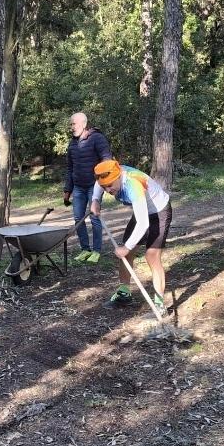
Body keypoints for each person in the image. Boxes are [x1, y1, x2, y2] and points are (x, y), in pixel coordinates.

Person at [89, 159, 172, 311]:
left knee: (151, 256)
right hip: (142, 212)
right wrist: (95, 200)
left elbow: (143, 223)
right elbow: (99, 183)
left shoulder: (133, 185)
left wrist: (127, 247)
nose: (108, 190)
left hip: (159, 212)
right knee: (126, 254)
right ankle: (124, 294)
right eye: (104, 187)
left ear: (118, 177)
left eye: (110, 185)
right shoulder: (108, 174)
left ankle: (160, 304)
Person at [64, 112, 112, 264]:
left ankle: (96, 251)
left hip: (94, 186)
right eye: (71, 124)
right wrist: (67, 191)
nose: (72, 127)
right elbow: (70, 168)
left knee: (94, 217)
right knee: (78, 218)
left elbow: (107, 159)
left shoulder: (97, 138)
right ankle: (85, 249)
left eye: (74, 124)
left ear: (84, 124)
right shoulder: (72, 143)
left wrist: (104, 181)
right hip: (78, 187)